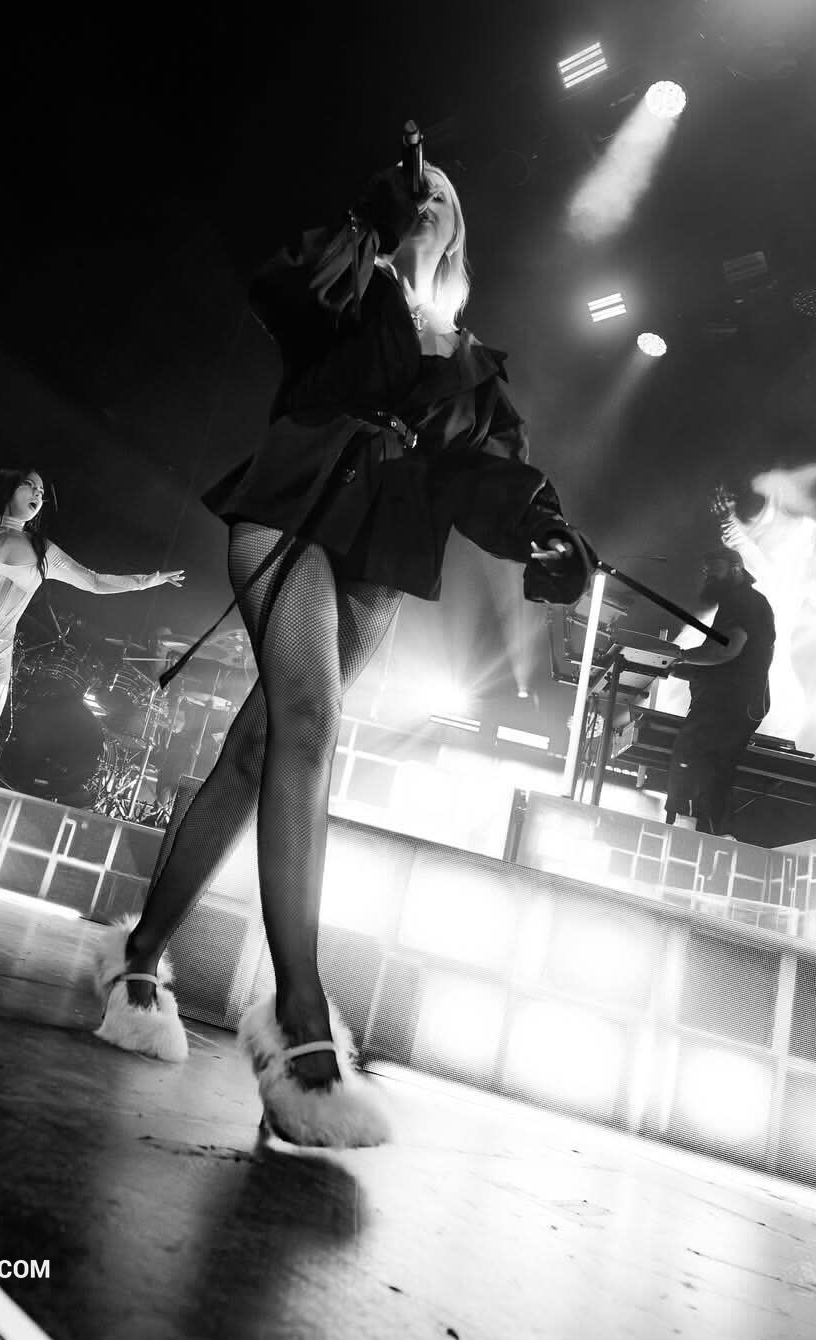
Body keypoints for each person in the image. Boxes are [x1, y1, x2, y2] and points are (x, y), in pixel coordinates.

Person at [91, 159, 594, 1147]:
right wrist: (369, 222)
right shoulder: (348, 283)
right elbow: (281, 290)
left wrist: (548, 534)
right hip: (291, 511)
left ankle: (136, 955)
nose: (428, 200)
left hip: (381, 555)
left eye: (443, 195)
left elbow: (490, 476)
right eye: (416, 189)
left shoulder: (473, 362)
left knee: (259, 750)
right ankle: (299, 1023)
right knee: (311, 721)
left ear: (462, 228)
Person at [0, 438, 184, 901]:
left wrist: (149, 580)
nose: (38, 495)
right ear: (10, 489)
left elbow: (94, 582)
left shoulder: (44, 552)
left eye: (43, 492)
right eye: (31, 486)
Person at [665, 545, 775, 837]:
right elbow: (724, 659)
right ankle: (709, 832)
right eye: (706, 571)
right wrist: (676, 666)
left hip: (730, 703)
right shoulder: (739, 601)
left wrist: (679, 656)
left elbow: (726, 651)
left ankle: (689, 826)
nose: (708, 576)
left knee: (697, 758)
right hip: (735, 701)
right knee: (715, 770)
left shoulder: (743, 601)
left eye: (715, 569)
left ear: (736, 568)